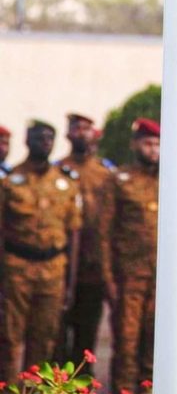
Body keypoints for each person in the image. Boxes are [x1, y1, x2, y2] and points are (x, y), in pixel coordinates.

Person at [0, 121, 82, 394]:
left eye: (49, 138)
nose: (44, 142)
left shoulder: (65, 183)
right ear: (27, 141)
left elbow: (73, 235)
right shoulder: (10, 182)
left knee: (44, 338)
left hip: (53, 269)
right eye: (39, 138)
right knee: (10, 338)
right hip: (17, 267)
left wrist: (70, 283)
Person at [99, 117, 160, 394]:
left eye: (158, 144)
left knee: (155, 343)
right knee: (126, 344)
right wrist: (109, 279)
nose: (153, 150)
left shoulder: (171, 181)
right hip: (128, 279)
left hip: (161, 280)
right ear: (135, 144)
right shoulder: (119, 180)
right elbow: (105, 234)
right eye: (148, 143)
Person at [55, 113, 114, 369]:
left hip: (92, 266)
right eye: (76, 128)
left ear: (94, 134)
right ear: (68, 134)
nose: (82, 133)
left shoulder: (105, 172)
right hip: (60, 265)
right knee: (56, 337)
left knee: (86, 335)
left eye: (87, 128)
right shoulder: (56, 170)